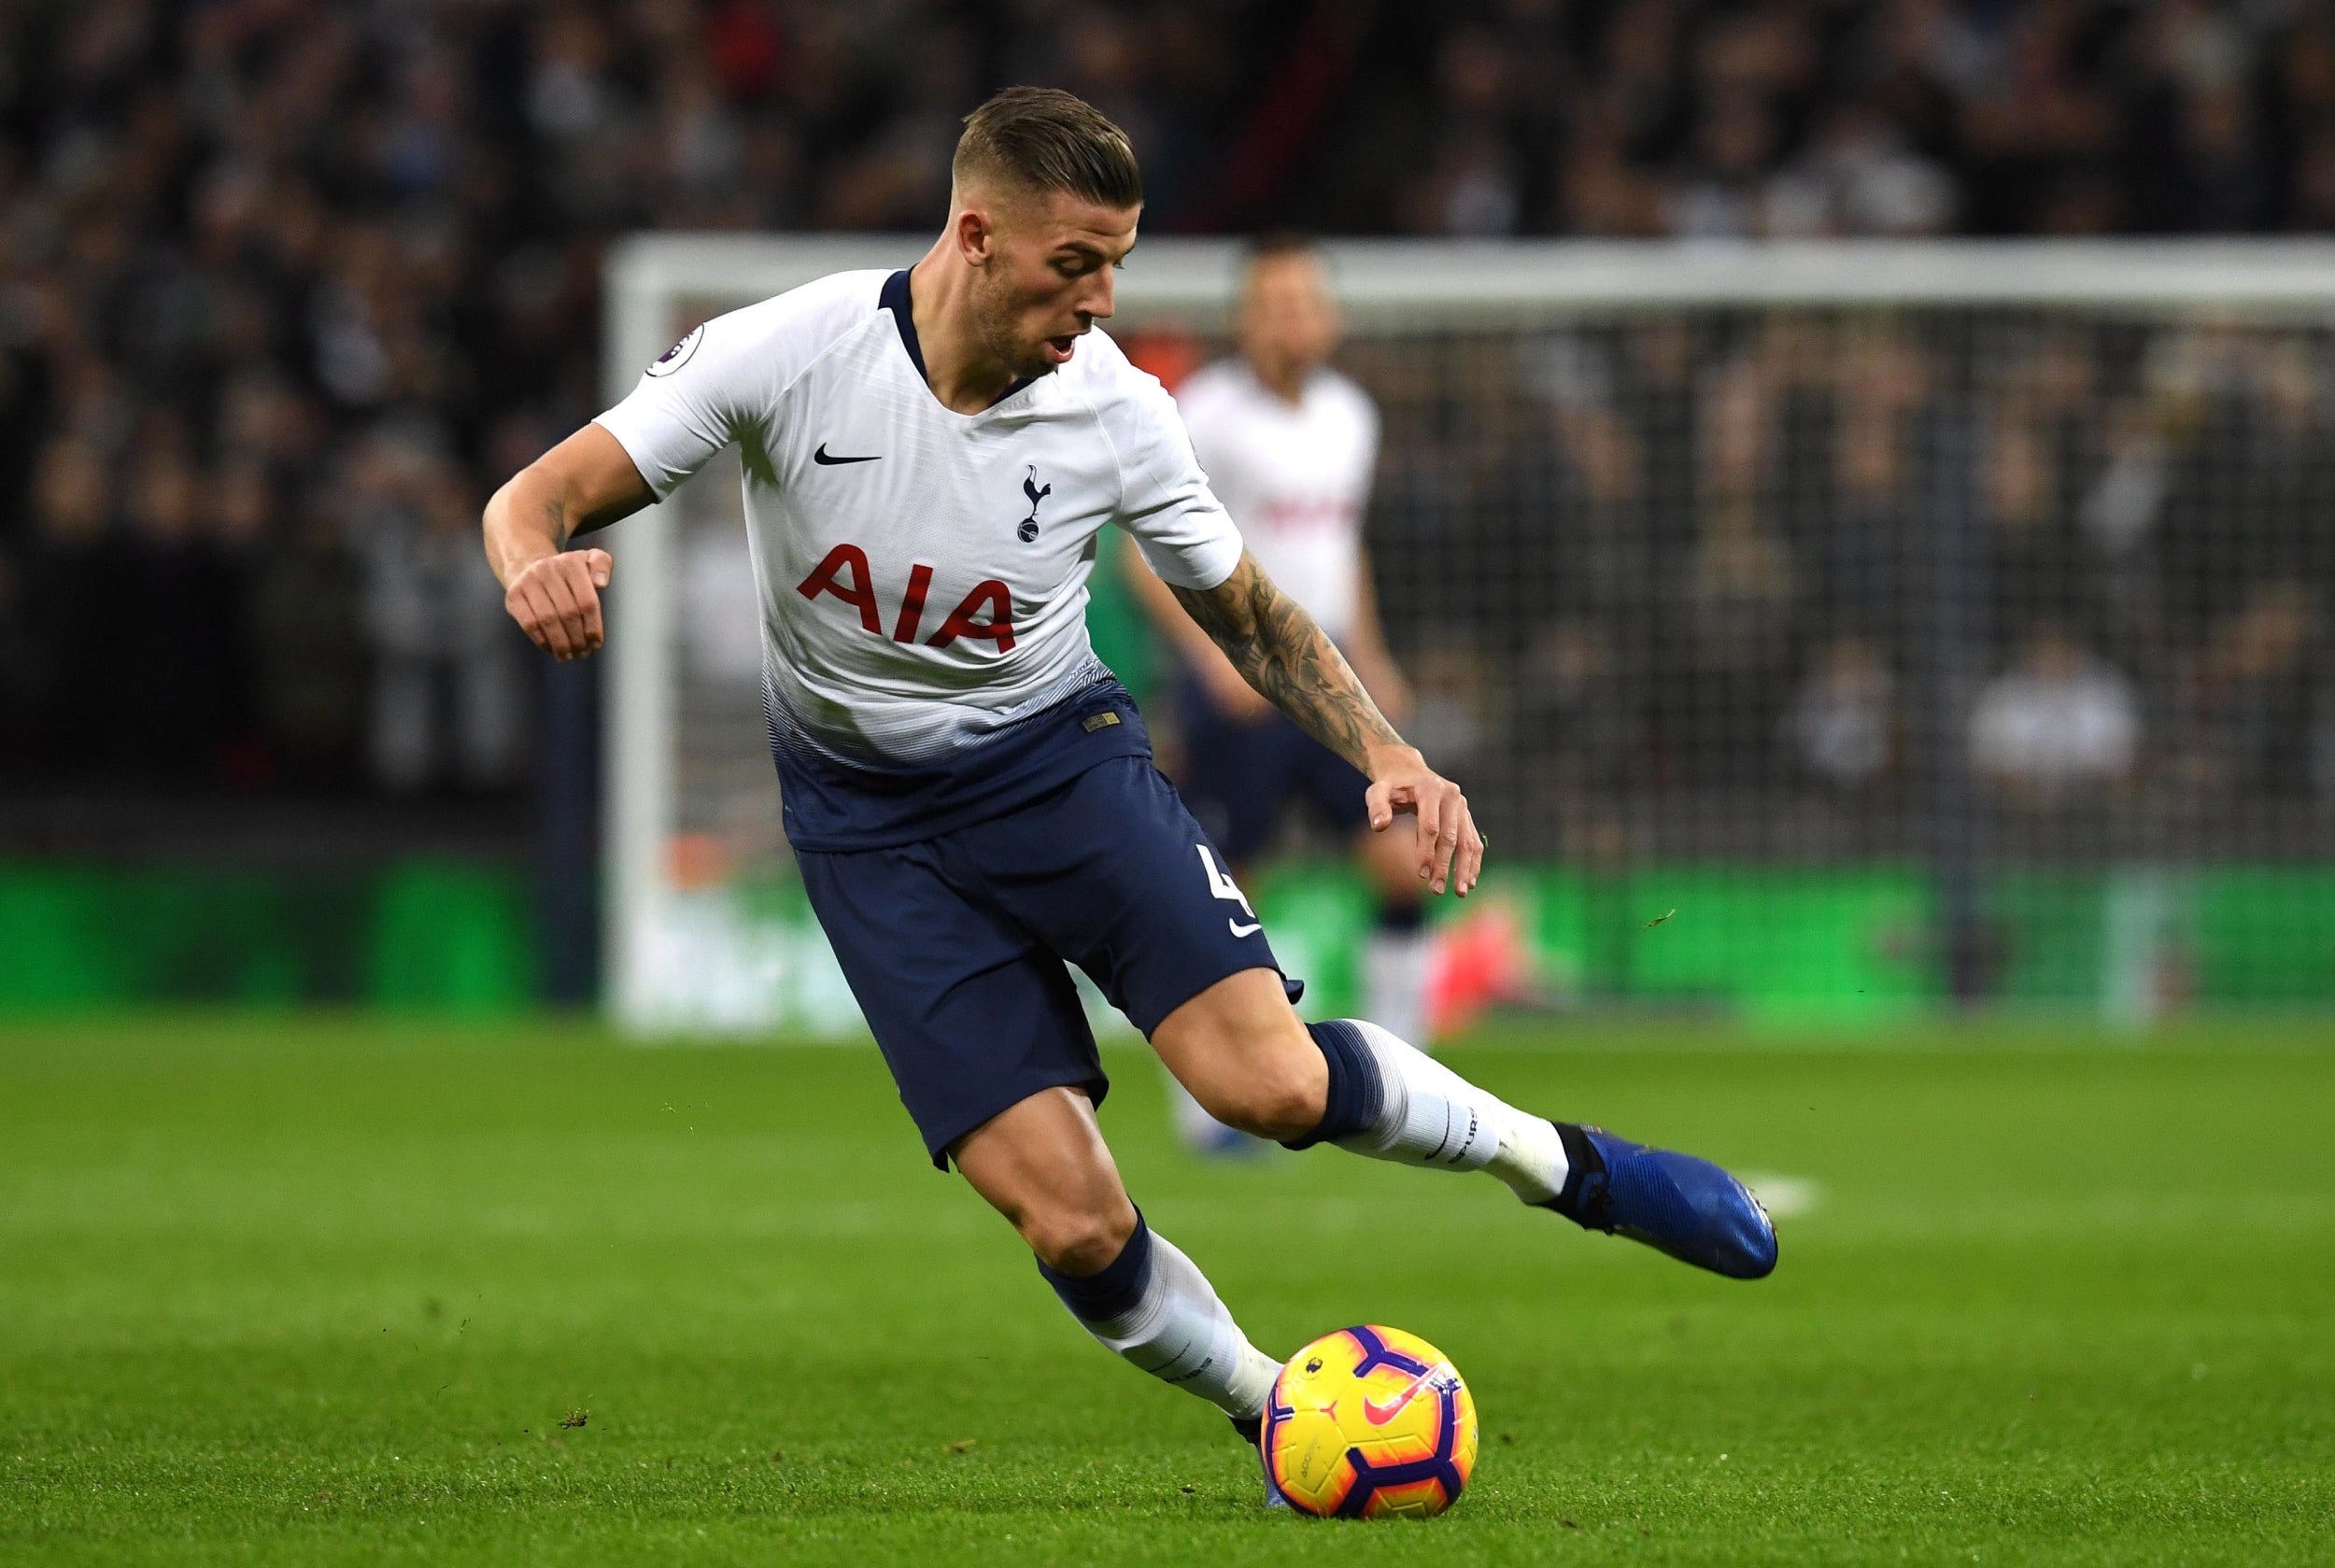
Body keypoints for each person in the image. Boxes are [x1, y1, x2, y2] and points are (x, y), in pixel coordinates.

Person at [482, 87, 1775, 1508]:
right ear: (977, 234)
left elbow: (1251, 612)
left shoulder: (1116, 406)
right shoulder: (787, 353)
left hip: (1057, 764)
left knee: (1270, 1084)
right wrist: (533, 565)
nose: (1101, 300)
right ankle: (1277, 1406)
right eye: (1075, 264)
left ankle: (1566, 1166)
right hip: (867, 826)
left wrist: (1388, 752)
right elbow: (531, 498)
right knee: (1073, 1221)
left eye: (1118, 263)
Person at [1123, 233, 1430, 1154]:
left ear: (1328, 317)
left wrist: (1372, 657)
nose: (1290, 320)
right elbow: (1142, 553)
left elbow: (1341, 549)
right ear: (1245, 319)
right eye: (1273, 304)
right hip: (1241, 685)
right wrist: (1211, 658)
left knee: (1402, 862)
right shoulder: (1203, 413)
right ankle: (1209, 1104)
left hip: (1327, 680)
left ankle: (1406, 1074)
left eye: (1303, 303)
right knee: (1225, 891)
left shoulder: (1351, 416)